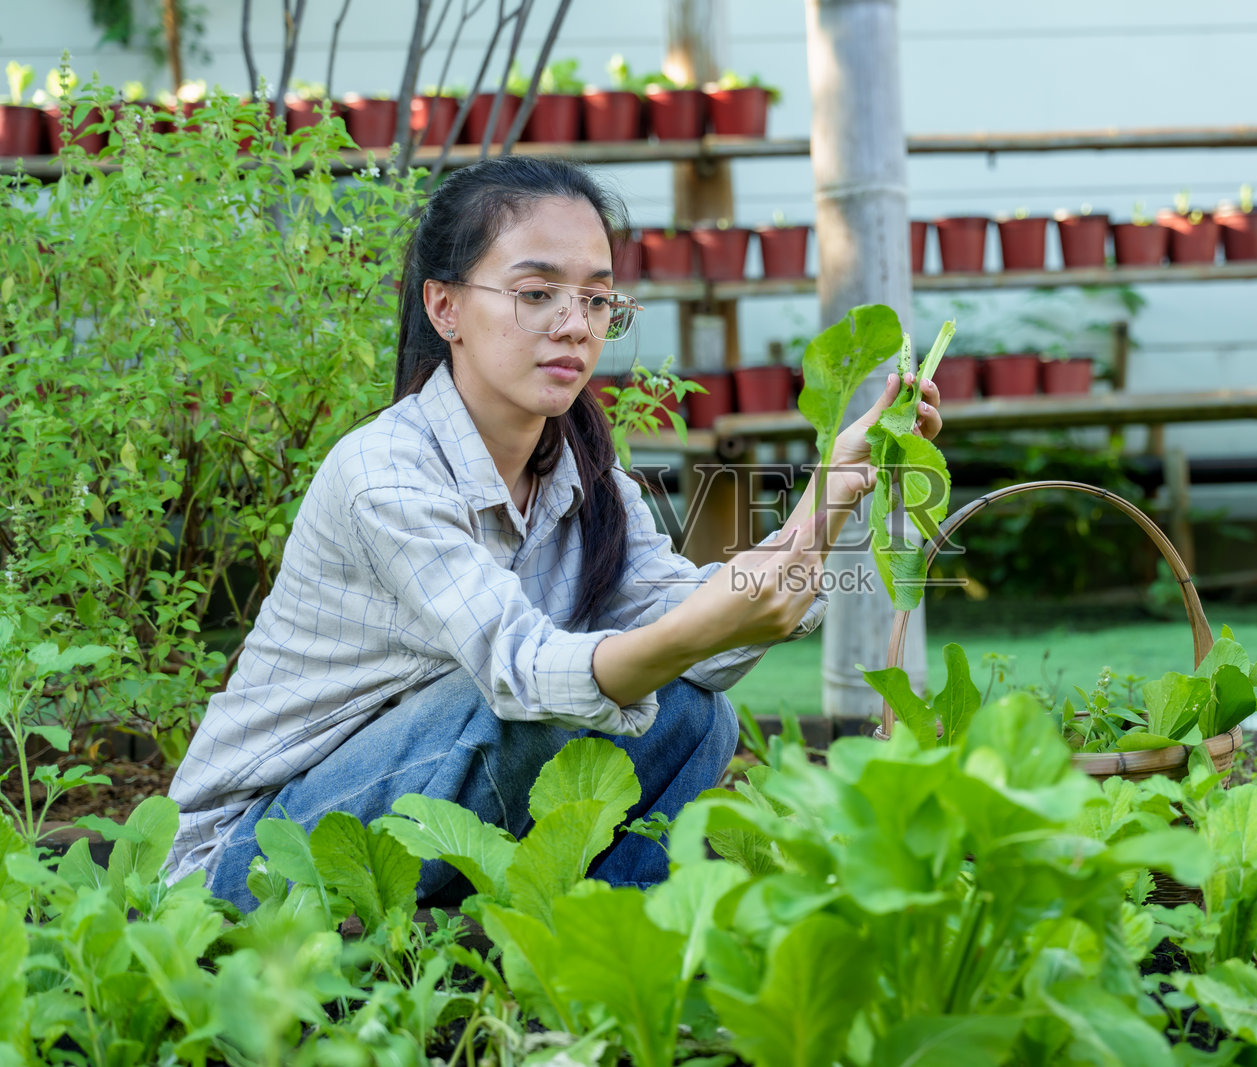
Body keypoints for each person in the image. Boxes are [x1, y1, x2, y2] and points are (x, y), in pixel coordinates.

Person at [165, 156, 942, 909]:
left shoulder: (587, 478)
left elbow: (705, 627)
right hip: (250, 858)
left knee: (700, 715)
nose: (574, 325)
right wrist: (691, 632)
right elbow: (519, 673)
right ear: (444, 308)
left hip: (407, 814)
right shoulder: (384, 469)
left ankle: (600, 931)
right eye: (537, 293)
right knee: (518, 711)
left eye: (598, 300)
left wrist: (835, 491)